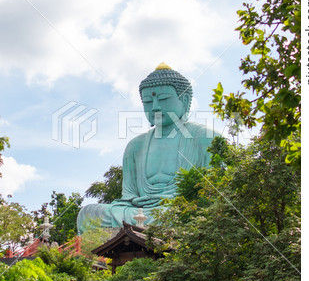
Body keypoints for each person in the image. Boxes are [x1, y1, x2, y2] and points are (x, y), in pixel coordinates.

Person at [77, 63, 216, 232]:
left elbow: (213, 195)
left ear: (185, 100)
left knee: (187, 213)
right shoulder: (135, 146)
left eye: (163, 99)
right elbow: (128, 197)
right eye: (148, 101)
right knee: (88, 213)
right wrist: (129, 209)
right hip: (138, 213)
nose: (155, 106)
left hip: (180, 211)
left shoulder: (205, 138)